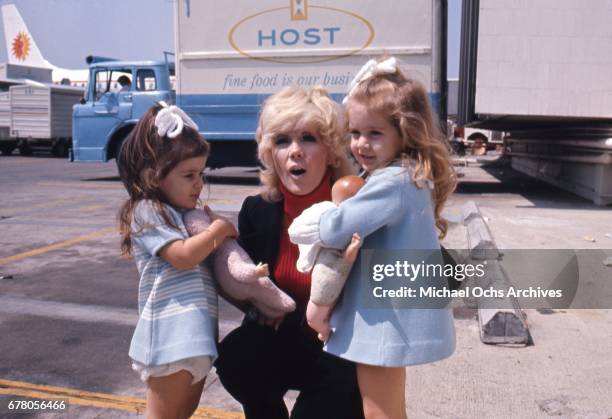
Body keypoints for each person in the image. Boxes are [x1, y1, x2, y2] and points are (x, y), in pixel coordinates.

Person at [290, 57, 457, 419]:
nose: (361, 144)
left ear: (406, 132)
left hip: (384, 321)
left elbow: (339, 227)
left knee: (379, 410)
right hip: (391, 316)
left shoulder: (392, 182)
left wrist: (313, 222)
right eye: (354, 133)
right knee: (389, 406)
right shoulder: (410, 175)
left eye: (374, 133)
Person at [214, 86, 365, 419]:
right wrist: (257, 305)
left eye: (308, 138)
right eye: (282, 140)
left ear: (331, 151)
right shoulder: (257, 210)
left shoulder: (356, 205)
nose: (294, 151)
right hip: (285, 340)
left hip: (341, 347)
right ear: (271, 153)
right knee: (237, 357)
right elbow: (240, 281)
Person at [117, 103, 237, 418]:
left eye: (201, 173)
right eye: (189, 175)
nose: (199, 183)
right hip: (170, 337)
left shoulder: (186, 217)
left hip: (196, 337)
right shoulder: (146, 211)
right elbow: (182, 257)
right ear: (153, 177)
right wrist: (219, 230)